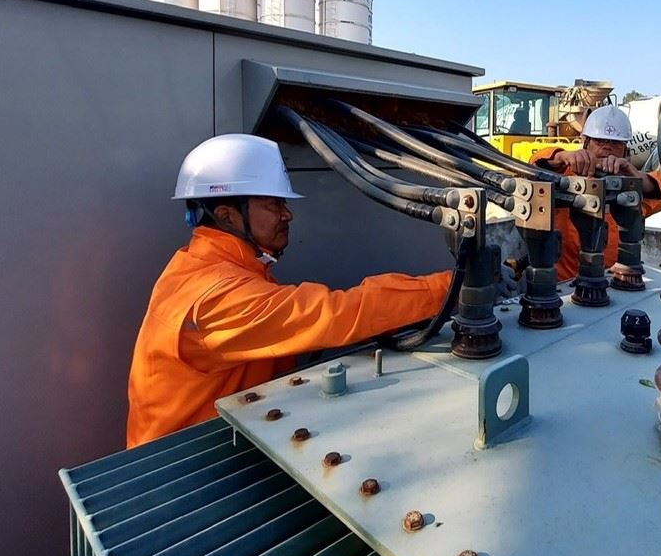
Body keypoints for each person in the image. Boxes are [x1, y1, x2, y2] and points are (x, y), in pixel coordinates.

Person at [127, 133, 453, 447]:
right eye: (273, 204)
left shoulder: (202, 264)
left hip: (207, 448)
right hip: (181, 477)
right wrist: (452, 287)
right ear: (227, 215)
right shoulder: (217, 298)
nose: (287, 214)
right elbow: (337, 313)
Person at [529, 105, 661, 281]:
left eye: (615, 142)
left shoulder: (628, 186)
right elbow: (535, 165)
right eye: (600, 141)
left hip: (612, 280)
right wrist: (562, 156)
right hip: (562, 283)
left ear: (625, 148)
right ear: (586, 142)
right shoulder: (564, 177)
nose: (607, 148)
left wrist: (635, 176)